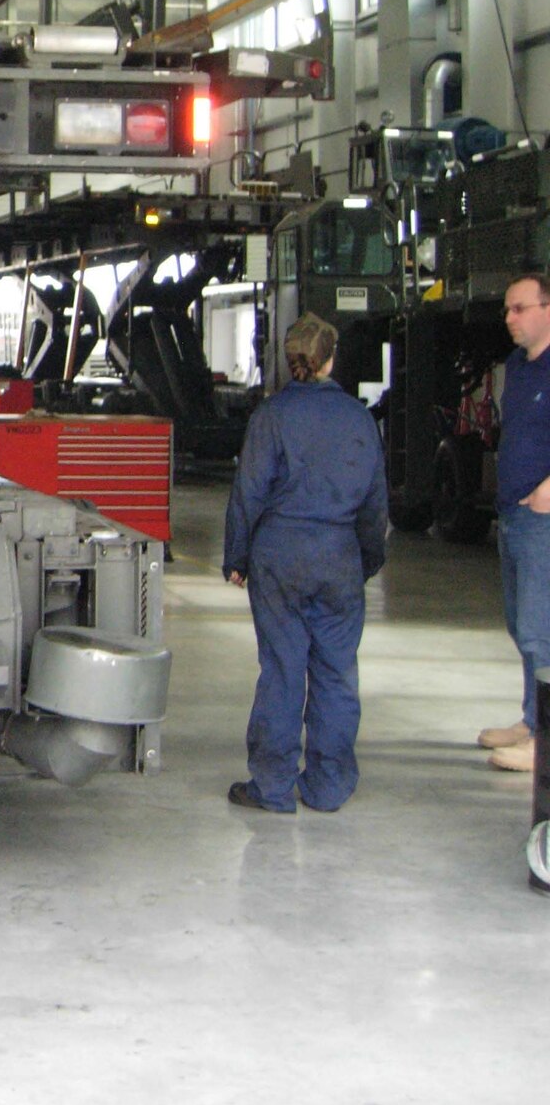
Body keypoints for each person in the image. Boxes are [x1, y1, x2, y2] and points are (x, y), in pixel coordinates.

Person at [223, 314, 388, 813]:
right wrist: (366, 561)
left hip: (280, 556)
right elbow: (375, 503)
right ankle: (328, 785)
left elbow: (248, 492)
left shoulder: (271, 416)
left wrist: (238, 556)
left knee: (282, 669)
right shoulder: (359, 418)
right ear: (331, 357)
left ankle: (272, 786)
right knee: (337, 674)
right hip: (338, 556)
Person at [482, 272, 550, 772]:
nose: (509, 318)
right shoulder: (517, 366)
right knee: (521, 626)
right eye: (508, 309)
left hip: (543, 518)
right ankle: (532, 721)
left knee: (541, 631)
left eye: (520, 308)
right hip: (513, 516)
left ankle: (546, 744)